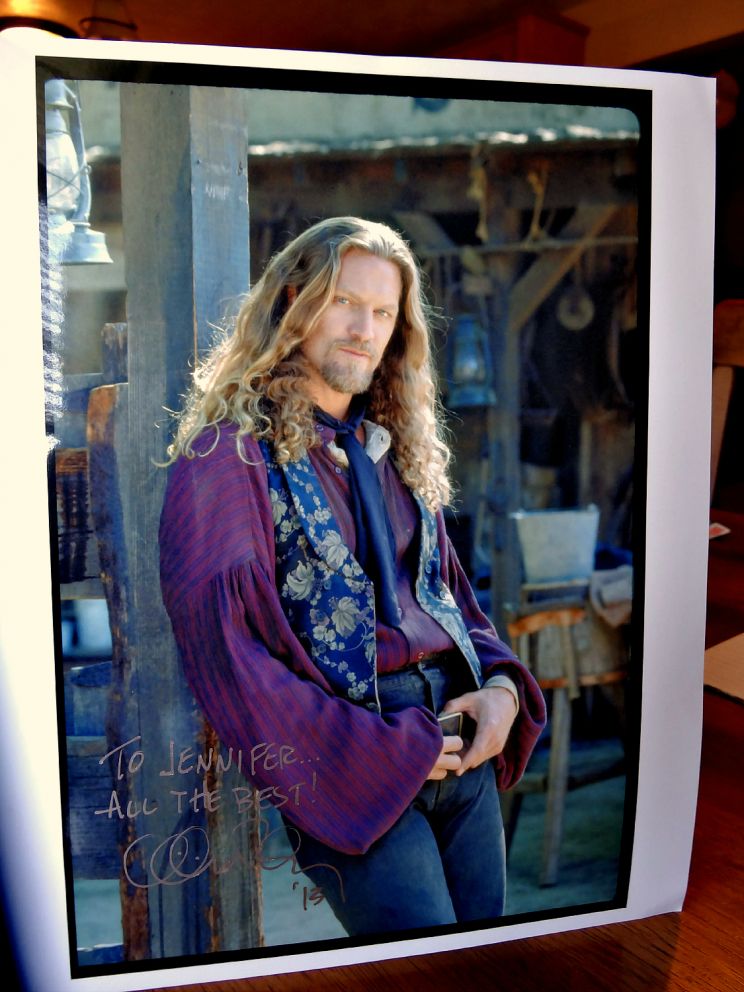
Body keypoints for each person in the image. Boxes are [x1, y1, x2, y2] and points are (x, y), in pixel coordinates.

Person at [159, 216, 546, 937]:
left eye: (384, 312)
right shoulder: (227, 459)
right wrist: (381, 753)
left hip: (461, 746)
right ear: (294, 301)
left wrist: (500, 687)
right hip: (354, 767)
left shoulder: (394, 450)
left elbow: (450, 602)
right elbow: (233, 663)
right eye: (344, 301)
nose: (364, 329)